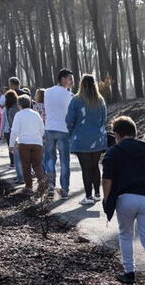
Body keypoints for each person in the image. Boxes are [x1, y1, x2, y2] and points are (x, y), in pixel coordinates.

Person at [101, 116, 145, 285]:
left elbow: (106, 180)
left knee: (126, 234)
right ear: (135, 133)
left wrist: (107, 200)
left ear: (116, 134)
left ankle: (129, 272)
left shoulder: (113, 152)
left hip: (125, 198)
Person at [65, 74, 107, 205]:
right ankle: (98, 193)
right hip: (98, 138)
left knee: (86, 168)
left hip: (81, 137)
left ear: (81, 84)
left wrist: (71, 133)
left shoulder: (76, 100)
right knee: (95, 166)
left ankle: (88, 197)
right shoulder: (100, 100)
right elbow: (104, 119)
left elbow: (69, 120)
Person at [44, 69, 76, 197]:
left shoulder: (47, 92)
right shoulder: (69, 96)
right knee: (64, 161)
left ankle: (51, 186)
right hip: (63, 129)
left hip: (49, 128)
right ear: (62, 79)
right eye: (70, 79)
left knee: (50, 159)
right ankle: (64, 189)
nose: (72, 82)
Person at [9, 94, 48, 197]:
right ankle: (42, 182)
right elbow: (42, 130)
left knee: (26, 165)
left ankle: (29, 187)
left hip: (24, 143)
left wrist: (11, 145)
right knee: (37, 165)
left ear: (19, 104)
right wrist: (37, 137)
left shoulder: (19, 115)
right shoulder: (36, 114)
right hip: (37, 143)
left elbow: (14, 131)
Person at [0, 89, 22, 184]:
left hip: (13, 133)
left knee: (16, 155)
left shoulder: (11, 109)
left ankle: (20, 176)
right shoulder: (17, 107)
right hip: (18, 132)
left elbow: (12, 123)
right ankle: (20, 174)